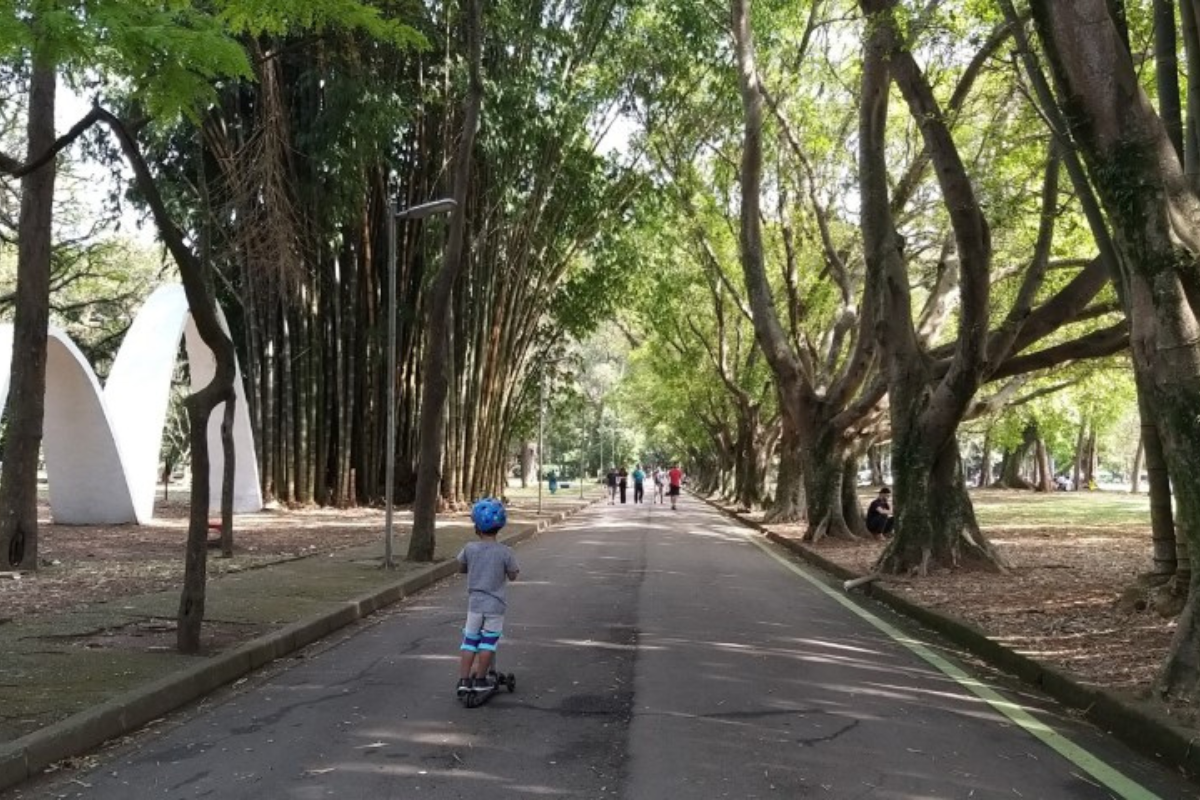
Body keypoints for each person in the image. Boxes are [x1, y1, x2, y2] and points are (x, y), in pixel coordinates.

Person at [456, 498, 520, 696]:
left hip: (475, 605)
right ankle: (482, 679)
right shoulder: (505, 552)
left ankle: (464, 680)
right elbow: (513, 574)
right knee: (487, 643)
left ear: (476, 526)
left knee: (470, 641)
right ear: (500, 526)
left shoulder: (469, 548)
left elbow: (461, 567)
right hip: (495, 606)